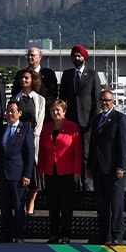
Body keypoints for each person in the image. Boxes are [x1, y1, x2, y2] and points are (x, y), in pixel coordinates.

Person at [88, 89, 126, 245]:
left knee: (116, 204)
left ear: (113, 101)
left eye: (106, 100)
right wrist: (90, 166)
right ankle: (103, 234)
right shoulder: (96, 119)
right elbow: (93, 145)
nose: (104, 103)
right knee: (102, 205)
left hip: (114, 170)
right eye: (101, 100)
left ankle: (117, 234)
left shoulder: (120, 119)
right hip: (99, 169)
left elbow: (124, 145)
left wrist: (121, 166)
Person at [39, 99, 83, 243]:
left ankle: (66, 234)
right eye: (52, 110)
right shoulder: (46, 128)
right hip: (50, 171)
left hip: (67, 171)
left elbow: (78, 151)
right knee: (53, 204)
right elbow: (42, 151)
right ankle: (54, 234)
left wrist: (77, 172)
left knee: (66, 205)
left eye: (58, 110)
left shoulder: (73, 127)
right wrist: (40, 170)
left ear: (64, 111)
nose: (55, 112)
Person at [0, 102, 36, 243]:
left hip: (18, 175)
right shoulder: (2, 129)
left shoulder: (25, 130)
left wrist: (27, 174)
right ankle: (6, 234)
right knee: (5, 207)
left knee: (18, 206)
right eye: (8, 111)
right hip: (3, 174)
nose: (10, 113)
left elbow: (29, 154)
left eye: (13, 111)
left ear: (20, 113)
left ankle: (19, 235)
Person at [60, 45, 102, 173]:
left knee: (85, 152)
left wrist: (94, 119)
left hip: (86, 120)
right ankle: (74, 180)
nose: (76, 58)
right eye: (74, 56)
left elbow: (96, 98)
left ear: (84, 58)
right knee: (70, 150)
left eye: (79, 56)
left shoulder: (92, 74)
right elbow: (62, 98)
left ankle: (85, 181)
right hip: (71, 119)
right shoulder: (67, 75)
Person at [10, 68, 46, 214]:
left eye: (27, 78)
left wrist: (35, 135)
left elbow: (41, 120)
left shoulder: (40, 99)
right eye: (22, 78)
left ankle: (31, 201)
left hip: (33, 137)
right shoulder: (16, 99)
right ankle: (20, 201)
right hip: (19, 136)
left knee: (33, 169)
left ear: (33, 80)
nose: (24, 81)